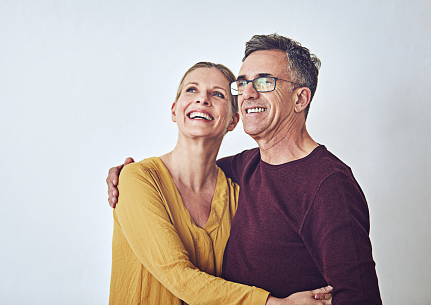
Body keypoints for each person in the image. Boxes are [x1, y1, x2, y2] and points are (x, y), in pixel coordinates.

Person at [108, 34, 382, 304]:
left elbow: (359, 296)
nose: (249, 93)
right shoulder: (244, 169)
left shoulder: (329, 184)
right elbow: (185, 176)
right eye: (242, 84)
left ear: (300, 99)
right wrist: (128, 175)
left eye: (264, 82)